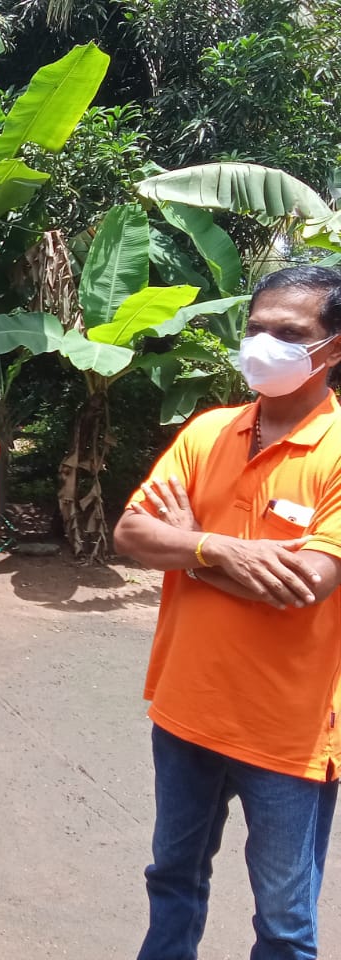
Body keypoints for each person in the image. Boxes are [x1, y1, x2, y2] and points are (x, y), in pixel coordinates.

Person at [114, 265, 341, 960]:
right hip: (186, 709)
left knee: (283, 921)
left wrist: (186, 547)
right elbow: (131, 534)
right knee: (172, 878)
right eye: (256, 328)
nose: (265, 344)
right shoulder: (209, 430)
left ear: (333, 347)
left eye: (289, 333)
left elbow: (305, 583)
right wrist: (217, 548)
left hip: (287, 732)